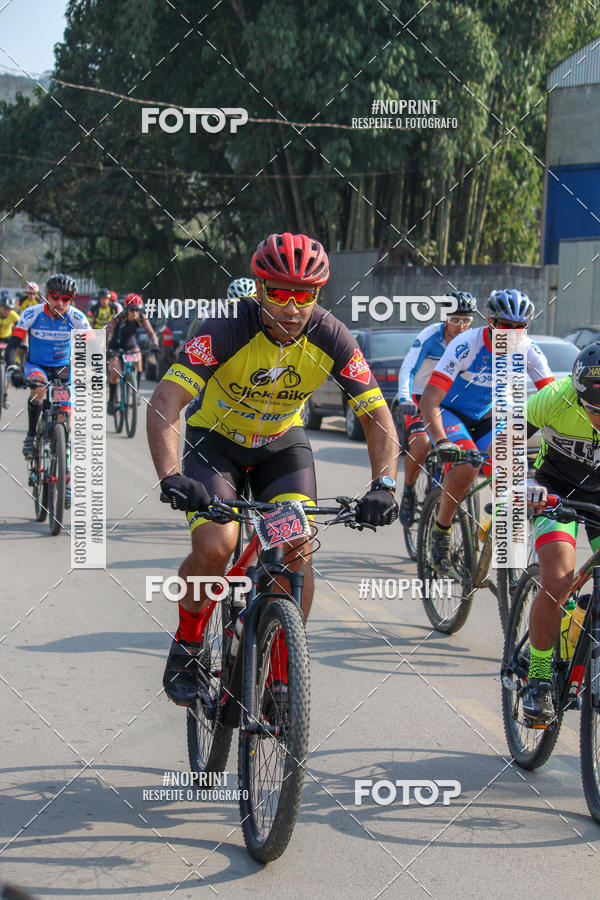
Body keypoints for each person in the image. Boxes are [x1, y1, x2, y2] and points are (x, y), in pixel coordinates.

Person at [147, 232, 399, 706]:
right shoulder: (224, 329)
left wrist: (383, 484)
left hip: (281, 448)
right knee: (216, 546)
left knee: (297, 546)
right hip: (216, 443)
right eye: (279, 292)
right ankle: (188, 640)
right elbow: (166, 402)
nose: (291, 306)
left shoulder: (331, 336)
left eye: (304, 295)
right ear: (260, 289)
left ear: (318, 294)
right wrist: (170, 477)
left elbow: (375, 414)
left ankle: (282, 675)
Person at [419, 289, 554, 572]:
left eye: (520, 328)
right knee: (467, 466)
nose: (513, 334)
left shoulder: (527, 348)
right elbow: (430, 399)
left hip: (488, 416)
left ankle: (505, 542)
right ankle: (441, 531)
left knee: (508, 464)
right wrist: (442, 440)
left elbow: (554, 399)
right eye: (506, 327)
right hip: (450, 411)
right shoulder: (466, 344)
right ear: (491, 322)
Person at [522, 343, 600, 723]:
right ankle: (537, 679)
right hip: (556, 491)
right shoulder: (553, 398)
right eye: (595, 410)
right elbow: (505, 443)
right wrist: (522, 485)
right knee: (558, 579)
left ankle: (583, 629)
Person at [5, 274, 90, 507]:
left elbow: (93, 347)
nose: (60, 303)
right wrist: (13, 367)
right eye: (55, 297)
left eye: (66, 298)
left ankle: (67, 479)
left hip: (63, 370)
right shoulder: (31, 314)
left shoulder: (77, 317)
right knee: (39, 389)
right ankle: (32, 435)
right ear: (47, 296)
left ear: (71, 299)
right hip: (37, 366)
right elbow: (13, 344)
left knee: (66, 418)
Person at [396, 291, 477, 526]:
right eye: (454, 320)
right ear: (444, 318)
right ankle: (409, 491)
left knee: (464, 450)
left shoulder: (472, 340)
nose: (460, 326)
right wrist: (404, 398)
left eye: (465, 321)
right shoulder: (429, 337)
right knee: (421, 444)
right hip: (421, 397)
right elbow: (408, 369)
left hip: (451, 401)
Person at [105, 293, 158, 413]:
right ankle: (112, 400)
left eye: (137, 310)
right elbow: (107, 330)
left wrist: (155, 345)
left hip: (131, 344)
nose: (134, 313)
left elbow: (151, 333)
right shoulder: (118, 317)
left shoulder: (141, 317)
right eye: (131, 310)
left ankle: (136, 391)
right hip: (116, 346)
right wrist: (104, 345)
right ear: (126, 309)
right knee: (114, 372)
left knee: (138, 358)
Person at [0, 293, 20, 408]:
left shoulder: (13, 315)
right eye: (4, 308)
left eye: (9, 309)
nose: (6, 311)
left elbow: (22, 326)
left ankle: (5, 394)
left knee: (10, 366)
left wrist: (23, 342)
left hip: (7, 339)